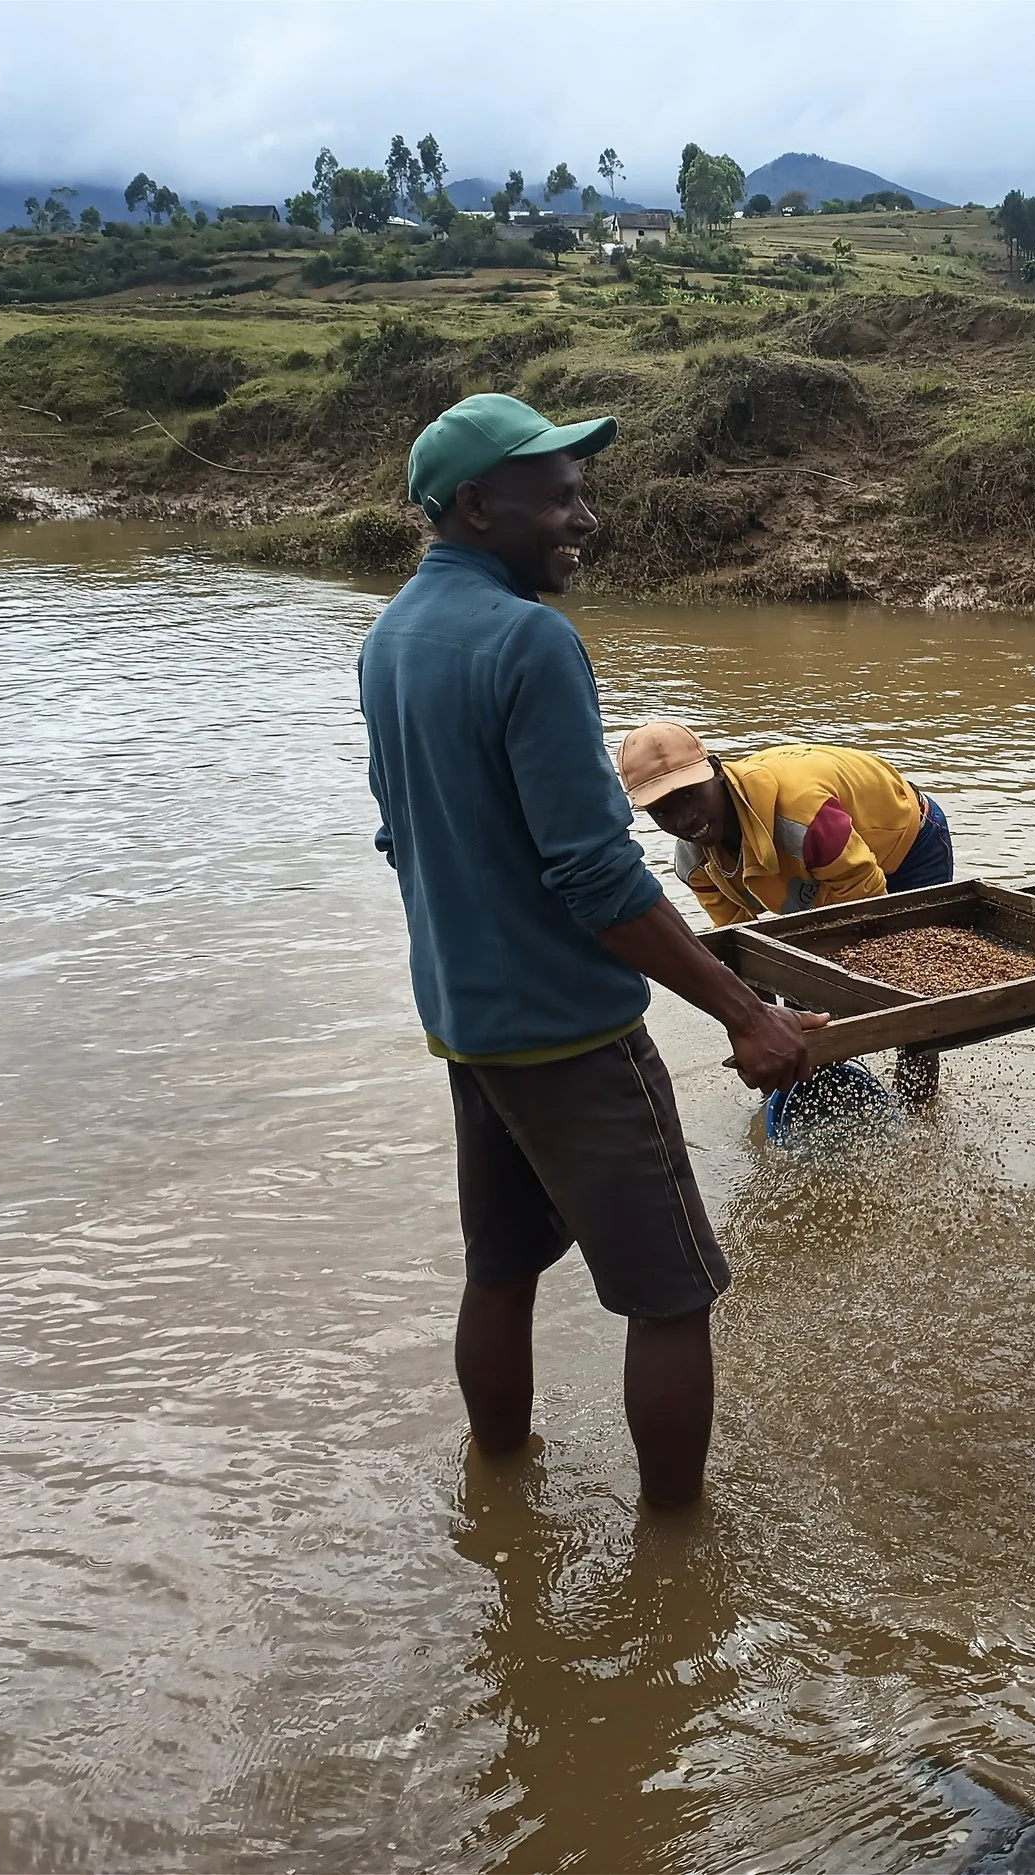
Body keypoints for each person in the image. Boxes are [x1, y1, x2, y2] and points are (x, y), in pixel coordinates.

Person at [356, 392, 822, 1508]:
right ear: (477, 504)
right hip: (571, 1032)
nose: (586, 516)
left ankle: (500, 1494)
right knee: (672, 1296)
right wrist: (743, 1013)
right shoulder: (529, 640)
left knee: (501, 1271)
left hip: (466, 1025)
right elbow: (595, 874)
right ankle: (676, 1557)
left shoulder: (390, 639)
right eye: (559, 496)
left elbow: (398, 834)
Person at [617, 721, 953, 1104]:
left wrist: (808, 997)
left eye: (690, 795)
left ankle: (918, 1108)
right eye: (662, 810)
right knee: (798, 993)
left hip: (905, 842)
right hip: (825, 869)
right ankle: (804, 1094)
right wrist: (762, 1028)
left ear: (716, 770)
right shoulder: (695, 863)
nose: (683, 819)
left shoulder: (803, 818)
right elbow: (742, 945)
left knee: (908, 988)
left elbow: (864, 908)